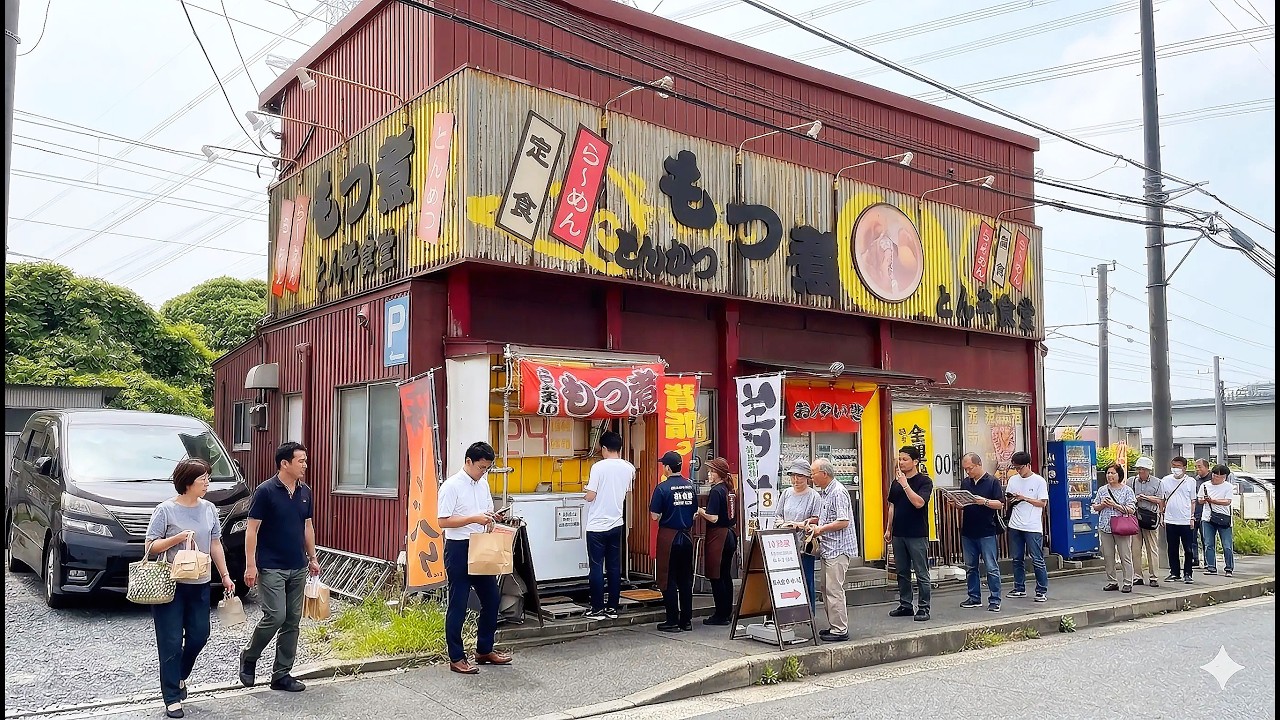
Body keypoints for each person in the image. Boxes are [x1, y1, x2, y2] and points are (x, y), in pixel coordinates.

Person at [146, 459, 237, 719]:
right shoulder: (165, 510)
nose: (207, 482)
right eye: (203, 478)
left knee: (200, 635)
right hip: (170, 586)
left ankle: (180, 675)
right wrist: (177, 538)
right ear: (188, 483)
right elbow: (149, 546)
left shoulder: (209, 509)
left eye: (208, 477)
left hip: (200, 584)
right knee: (171, 641)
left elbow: (216, 543)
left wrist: (226, 575)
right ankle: (172, 697)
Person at [239, 442, 320, 693]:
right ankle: (250, 656)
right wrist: (250, 565)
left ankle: (282, 674)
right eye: (301, 461)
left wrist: (313, 557)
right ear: (284, 463)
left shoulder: (305, 491)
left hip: (298, 565)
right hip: (271, 565)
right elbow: (252, 529)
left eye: (305, 461)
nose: (305, 465)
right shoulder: (265, 491)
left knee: (293, 620)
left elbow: (307, 526)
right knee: (276, 616)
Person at [437, 441, 512, 674]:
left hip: (480, 544)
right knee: (458, 603)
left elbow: (484, 511)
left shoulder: (483, 484)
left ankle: (484, 649)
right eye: (481, 467)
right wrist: (473, 519)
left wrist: (491, 517)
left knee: (491, 599)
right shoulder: (451, 486)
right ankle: (456, 657)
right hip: (458, 548)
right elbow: (442, 521)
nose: (483, 472)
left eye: (487, 468)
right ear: (468, 461)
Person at [583, 431, 634, 622]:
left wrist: (585, 493)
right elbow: (627, 491)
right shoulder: (628, 468)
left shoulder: (598, 467)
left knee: (596, 567)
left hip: (596, 525)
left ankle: (597, 608)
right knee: (614, 567)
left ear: (604, 448)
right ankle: (612, 607)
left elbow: (591, 495)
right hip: (616, 523)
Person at [809, 458, 858, 642]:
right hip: (828, 548)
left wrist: (820, 529)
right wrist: (813, 523)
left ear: (824, 474)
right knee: (826, 588)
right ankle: (834, 626)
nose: (811, 477)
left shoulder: (837, 492)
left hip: (838, 549)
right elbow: (827, 517)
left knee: (833, 589)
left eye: (813, 473)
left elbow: (843, 521)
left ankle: (840, 630)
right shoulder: (826, 493)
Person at [949, 453, 1004, 612]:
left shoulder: (992, 481)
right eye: (965, 469)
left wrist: (984, 501)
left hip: (987, 530)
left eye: (970, 468)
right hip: (968, 529)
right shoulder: (966, 482)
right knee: (970, 566)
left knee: (991, 567)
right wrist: (955, 503)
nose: (968, 472)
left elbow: (1000, 504)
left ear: (979, 464)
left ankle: (995, 599)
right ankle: (974, 597)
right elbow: (963, 504)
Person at [885, 446, 933, 621]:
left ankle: (923, 607)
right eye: (900, 459)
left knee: (921, 571)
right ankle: (905, 604)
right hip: (899, 532)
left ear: (915, 461)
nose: (901, 462)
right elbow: (892, 506)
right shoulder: (895, 482)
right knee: (902, 571)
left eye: (905, 459)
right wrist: (889, 528)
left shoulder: (924, 481)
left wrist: (905, 485)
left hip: (917, 533)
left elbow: (919, 503)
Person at [651, 451, 696, 632]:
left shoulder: (662, 488)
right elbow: (694, 512)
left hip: (668, 537)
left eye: (664, 465)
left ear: (668, 468)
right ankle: (686, 620)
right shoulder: (690, 486)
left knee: (667, 578)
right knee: (685, 579)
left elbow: (655, 516)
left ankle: (671, 620)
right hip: (686, 536)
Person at [695, 457, 738, 626]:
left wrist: (700, 511)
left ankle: (720, 614)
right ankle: (727, 612)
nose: (709, 473)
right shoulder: (729, 489)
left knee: (716, 576)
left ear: (718, 473)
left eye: (712, 471)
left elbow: (713, 518)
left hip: (718, 536)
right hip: (730, 535)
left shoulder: (716, 490)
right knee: (725, 574)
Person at [776, 458, 822, 613]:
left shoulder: (814, 496)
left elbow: (816, 520)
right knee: (787, 580)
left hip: (804, 545)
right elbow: (778, 516)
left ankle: (810, 615)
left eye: (800, 476)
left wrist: (800, 525)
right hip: (785, 545)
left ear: (807, 477)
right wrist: (784, 524)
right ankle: (790, 614)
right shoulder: (786, 493)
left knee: (807, 580)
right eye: (793, 476)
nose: (796, 480)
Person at [1005, 451, 1049, 603]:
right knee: (1017, 558)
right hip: (1015, 524)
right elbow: (1008, 499)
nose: (1017, 470)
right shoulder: (1013, 480)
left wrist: (1024, 498)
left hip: (1032, 526)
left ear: (1028, 465)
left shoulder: (1039, 481)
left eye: (1020, 467)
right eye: (1015, 467)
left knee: (1037, 559)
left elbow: (1042, 503)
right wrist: (1012, 500)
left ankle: (1041, 590)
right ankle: (1019, 588)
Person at [1092, 463, 1137, 593]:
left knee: (1125, 555)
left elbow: (1131, 509)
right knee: (1108, 555)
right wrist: (1101, 505)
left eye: (1113, 473)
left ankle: (1128, 581)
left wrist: (1114, 505)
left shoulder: (1127, 490)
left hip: (1122, 527)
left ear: (1119, 475)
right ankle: (1112, 581)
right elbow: (1095, 507)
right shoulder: (1102, 490)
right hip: (1105, 526)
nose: (1110, 475)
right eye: (1108, 473)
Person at [1159, 455, 1197, 584]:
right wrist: (1162, 515)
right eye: (1173, 466)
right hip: (1170, 519)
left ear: (1184, 468)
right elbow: (1162, 499)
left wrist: (1192, 517)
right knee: (1172, 548)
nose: (1175, 469)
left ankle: (1188, 573)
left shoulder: (1190, 481)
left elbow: (1193, 501)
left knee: (1188, 548)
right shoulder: (1165, 480)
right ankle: (1174, 572)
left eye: (1178, 467)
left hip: (1185, 519)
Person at [1128, 456, 1163, 587]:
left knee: (1152, 547)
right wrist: (1136, 498)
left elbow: (1160, 500)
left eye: (1143, 469)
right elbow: (1127, 498)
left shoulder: (1157, 482)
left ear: (1149, 470)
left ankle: (1154, 576)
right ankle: (1137, 575)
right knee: (1135, 548)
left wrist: (1146, 498)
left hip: (1151, 517)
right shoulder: (1131, 481)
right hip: (1135, 517)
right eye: (1139, 469)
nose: (1141, 471)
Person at [1199, 464, 1236, 577]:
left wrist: (1212, 500)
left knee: (1227, 545)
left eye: (1219, 476)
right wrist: (1205, 500)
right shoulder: (1205, 485)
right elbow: (1199, 500)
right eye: (1214, 475)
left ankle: (1229, 568)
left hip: (1223, 518)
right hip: (1207, 517)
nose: (1216, 477)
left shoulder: (1228, 487)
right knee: (1209, 544)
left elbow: (1227, 501)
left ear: (1224, 477)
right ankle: (1211, 567)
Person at [1191, 458, 1214, 567]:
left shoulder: (1212, 479)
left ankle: (1207, 561)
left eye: (1199, 466)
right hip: (1195, 512)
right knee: (1192, 538)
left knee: (1206, 539)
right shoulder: (1196, 479)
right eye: (1196, 467)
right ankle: (1195, 559)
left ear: (1206, 467)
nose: (1197, 469)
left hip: (1206, 513)